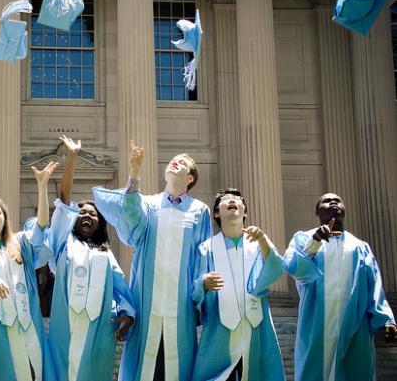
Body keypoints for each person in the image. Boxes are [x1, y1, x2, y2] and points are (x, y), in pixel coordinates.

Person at [93, 140, 213, 381]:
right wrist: (134, 172)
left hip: (180, 306)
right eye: (173, 159)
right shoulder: (148, 204)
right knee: (143, 367)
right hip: (146, 301)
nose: (175, 161)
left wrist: (201, 289)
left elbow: (203, 256)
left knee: (176, 367)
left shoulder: (199, 211)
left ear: (190, 178)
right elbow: (130, 216)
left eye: (183, 163)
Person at [47, 135, 135, 381]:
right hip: (66, 325)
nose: (86, 215)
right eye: (82, 212)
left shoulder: (105, 254)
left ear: (99, 223)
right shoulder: (62, 242)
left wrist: (127, 313)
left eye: (92, 214)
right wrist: (72, 156)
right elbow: (64, 199)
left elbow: (121, 287)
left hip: (99, 328)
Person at [283, 193, 397, 381]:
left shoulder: (359, 247)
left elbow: (374, 285)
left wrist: (386, 320)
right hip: (317, 326)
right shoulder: (304, 239)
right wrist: (314, 242)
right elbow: (294, 268)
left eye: (338, 200)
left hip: (353, 325)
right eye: (327, 200)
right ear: (316, 211)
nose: (334, 202)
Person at [0, 162, 58, 381]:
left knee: (35, 371)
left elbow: (41, 224)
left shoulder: (21, 244)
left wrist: (42, 186)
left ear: (5, 218)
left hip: (28, 323)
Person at [192, 188, 285, 381]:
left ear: (245, 212)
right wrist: (203, 283)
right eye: (226, 200)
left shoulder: (259, 245)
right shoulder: (206, 248)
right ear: (217, 213)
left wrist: (263, 241)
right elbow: (194, 288)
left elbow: (275, 269)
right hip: (220, 333)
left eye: (238, 199)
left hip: (257, 329)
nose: (232, 201)